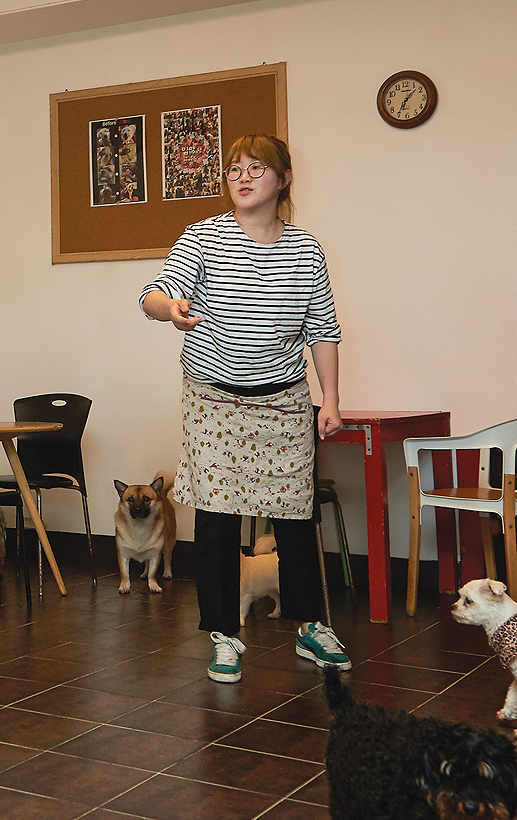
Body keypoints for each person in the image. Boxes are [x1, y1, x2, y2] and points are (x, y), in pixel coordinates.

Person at [139, 134, 349, 683]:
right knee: (215, 516)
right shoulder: (203, 237)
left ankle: (310, 626)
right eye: (234, 168)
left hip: (283, 401)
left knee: (296, 515)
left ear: (282, 180)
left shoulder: (306, 250)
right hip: (213, 399)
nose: (243, 176)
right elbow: (154, 295)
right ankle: (224, 635)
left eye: (257, 168)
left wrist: (329, 400)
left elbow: (322, 330)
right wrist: (172, 309)